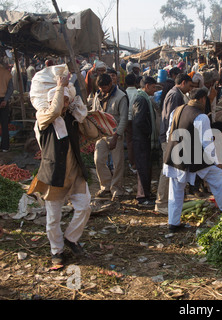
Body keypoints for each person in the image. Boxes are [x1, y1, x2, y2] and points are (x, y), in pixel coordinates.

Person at [28, 75, 95, 266]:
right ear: (51, 100)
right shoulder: (43, 116)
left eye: (67, 99)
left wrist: (81, 111)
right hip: (54, 175)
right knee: (52, 219)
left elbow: (90, 133)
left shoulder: (70, 117)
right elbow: (54, 111)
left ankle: (71, 238)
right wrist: (60, 87)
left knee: (84, 207)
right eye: (62, 99)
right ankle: (56, 251)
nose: (65, 104)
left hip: (75, 174)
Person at [163, 88, 222, 232]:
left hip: (175, 155)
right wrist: (217, 162)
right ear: (202, 99)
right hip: (192, 157)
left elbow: (169, 133)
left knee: (176, 189)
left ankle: (173, 223)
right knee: (218, 177)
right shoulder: (201, 117)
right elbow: (206, 142)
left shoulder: (176, 110)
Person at [155, 73, 192, 215]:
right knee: (167, 171)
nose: (189, 89)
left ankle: (169, 201)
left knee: (171, 170)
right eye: (189, 85)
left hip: (170, 137)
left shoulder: (174, 94)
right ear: (183, 82)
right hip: (170, 137)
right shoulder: (175, 95)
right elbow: (172, 118)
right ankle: (161, 202)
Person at [91, 73, 128, 201]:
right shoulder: (97, 95)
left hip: (115, 134)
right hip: (101, 134)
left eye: (105, 88)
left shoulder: (121, 97)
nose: (103, 91)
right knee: (98, 159)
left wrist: (116, 136)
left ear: (110, 84)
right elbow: (94, 112)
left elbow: (124, 118)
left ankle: (117, 189)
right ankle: (105, 186)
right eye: (101, 88)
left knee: (118, 163)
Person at [132, 76, 159, 205]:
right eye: (153, 87)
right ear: (147, 86)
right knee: (143, 167)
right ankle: (142, 197)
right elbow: (138, 121)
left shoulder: (144, 98)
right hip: (141, 139)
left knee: (146, 166)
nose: (154, 90)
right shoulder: (141, 99)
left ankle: (146, 193)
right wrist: (149, 131)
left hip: (143, 138)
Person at [125, 73, 139, 172]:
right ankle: (136, 163)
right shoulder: (138, 93)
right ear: (135, 82)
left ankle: (132, 163)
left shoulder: (123, 93)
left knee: (129, 142)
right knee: (137, 141)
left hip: (127, 120)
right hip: (136, 119)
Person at [0, 59, 14, 153]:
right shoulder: (7, 73)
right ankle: (5, 146)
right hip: (3, 100)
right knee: (4, 124)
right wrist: (5, 100)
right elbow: (11, 88)